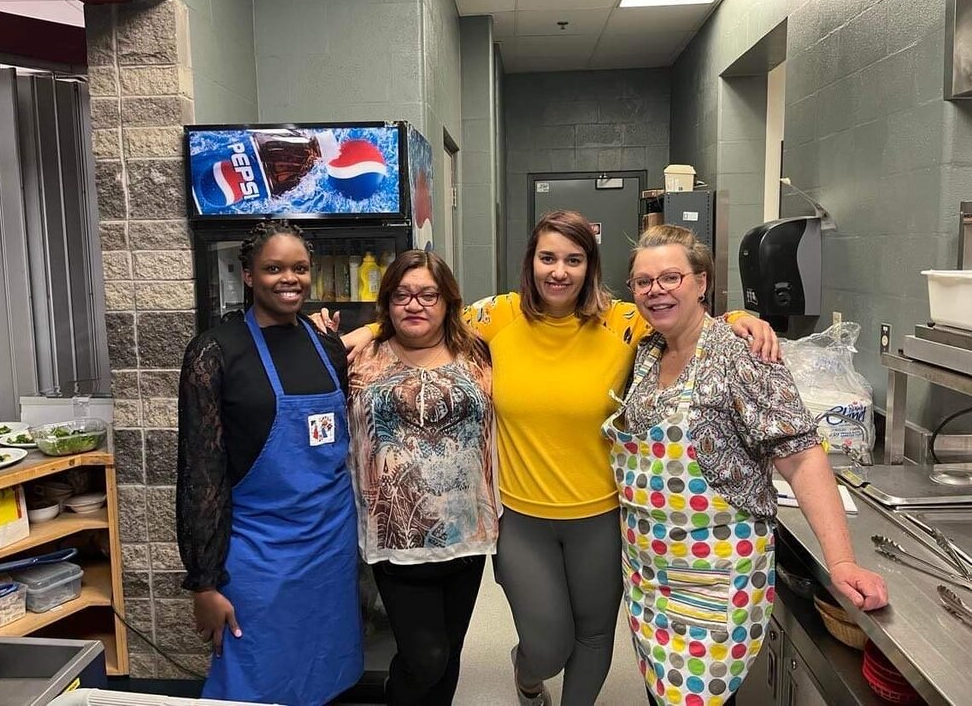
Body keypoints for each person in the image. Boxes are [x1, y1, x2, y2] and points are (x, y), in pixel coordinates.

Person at [337, 210, 778, 706]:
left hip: (602, 514)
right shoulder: (499, 316)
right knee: (547, 646)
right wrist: (365, 332)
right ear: (531, 262)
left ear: (590, 267)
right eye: (548, 257)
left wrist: (741, 318)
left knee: (593, 637)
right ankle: (528, 679)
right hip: (522, 518)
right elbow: (425, 312)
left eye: (574, 259)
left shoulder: (624, 320)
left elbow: (689, 321)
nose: (559, 271)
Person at [605, 225, 888, 706]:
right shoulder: (648, 352)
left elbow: (801, 457)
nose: (656, 290)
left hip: (713, 578)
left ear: (702, 282)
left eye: (671, 277)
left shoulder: (742, 354)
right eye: (643, 281)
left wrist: (840, 561)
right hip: (650, 575)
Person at [176, 220, 362, 705]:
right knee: (254, 677)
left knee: (324, 672)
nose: (289, 278)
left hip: (329, 548)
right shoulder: (215, 352)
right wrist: (204, 581)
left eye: (300, 268)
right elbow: (201, 475)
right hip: (259, 555)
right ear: (249, 274)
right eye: (274, 268)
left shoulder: (326, 348)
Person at [348, 249, 498, 705]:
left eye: (428, 295)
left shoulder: (479, 351)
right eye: (402, 295)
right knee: (425, 657)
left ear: (448, 301)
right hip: (394, 535)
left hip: (467, 532)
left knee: (448, 657)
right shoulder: (359, 355)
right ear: (387, 303)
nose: (415, 305)